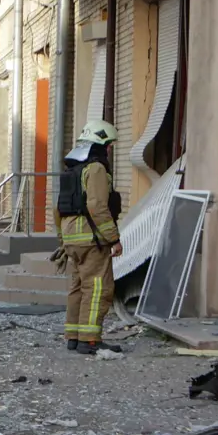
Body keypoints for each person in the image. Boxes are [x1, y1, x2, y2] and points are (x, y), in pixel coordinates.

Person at [56, 120, 124, 356]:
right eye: (109, 146)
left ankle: (73, 336)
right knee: (98, 288)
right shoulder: (95, 169)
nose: (109, 151)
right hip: (91, 238)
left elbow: (59, 208)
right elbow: (96, 206)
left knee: (78, 288)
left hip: (73, 238)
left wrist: (62, 241)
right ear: (101, 145)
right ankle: (90, 339)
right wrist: (113, 238)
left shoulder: (72, 170)